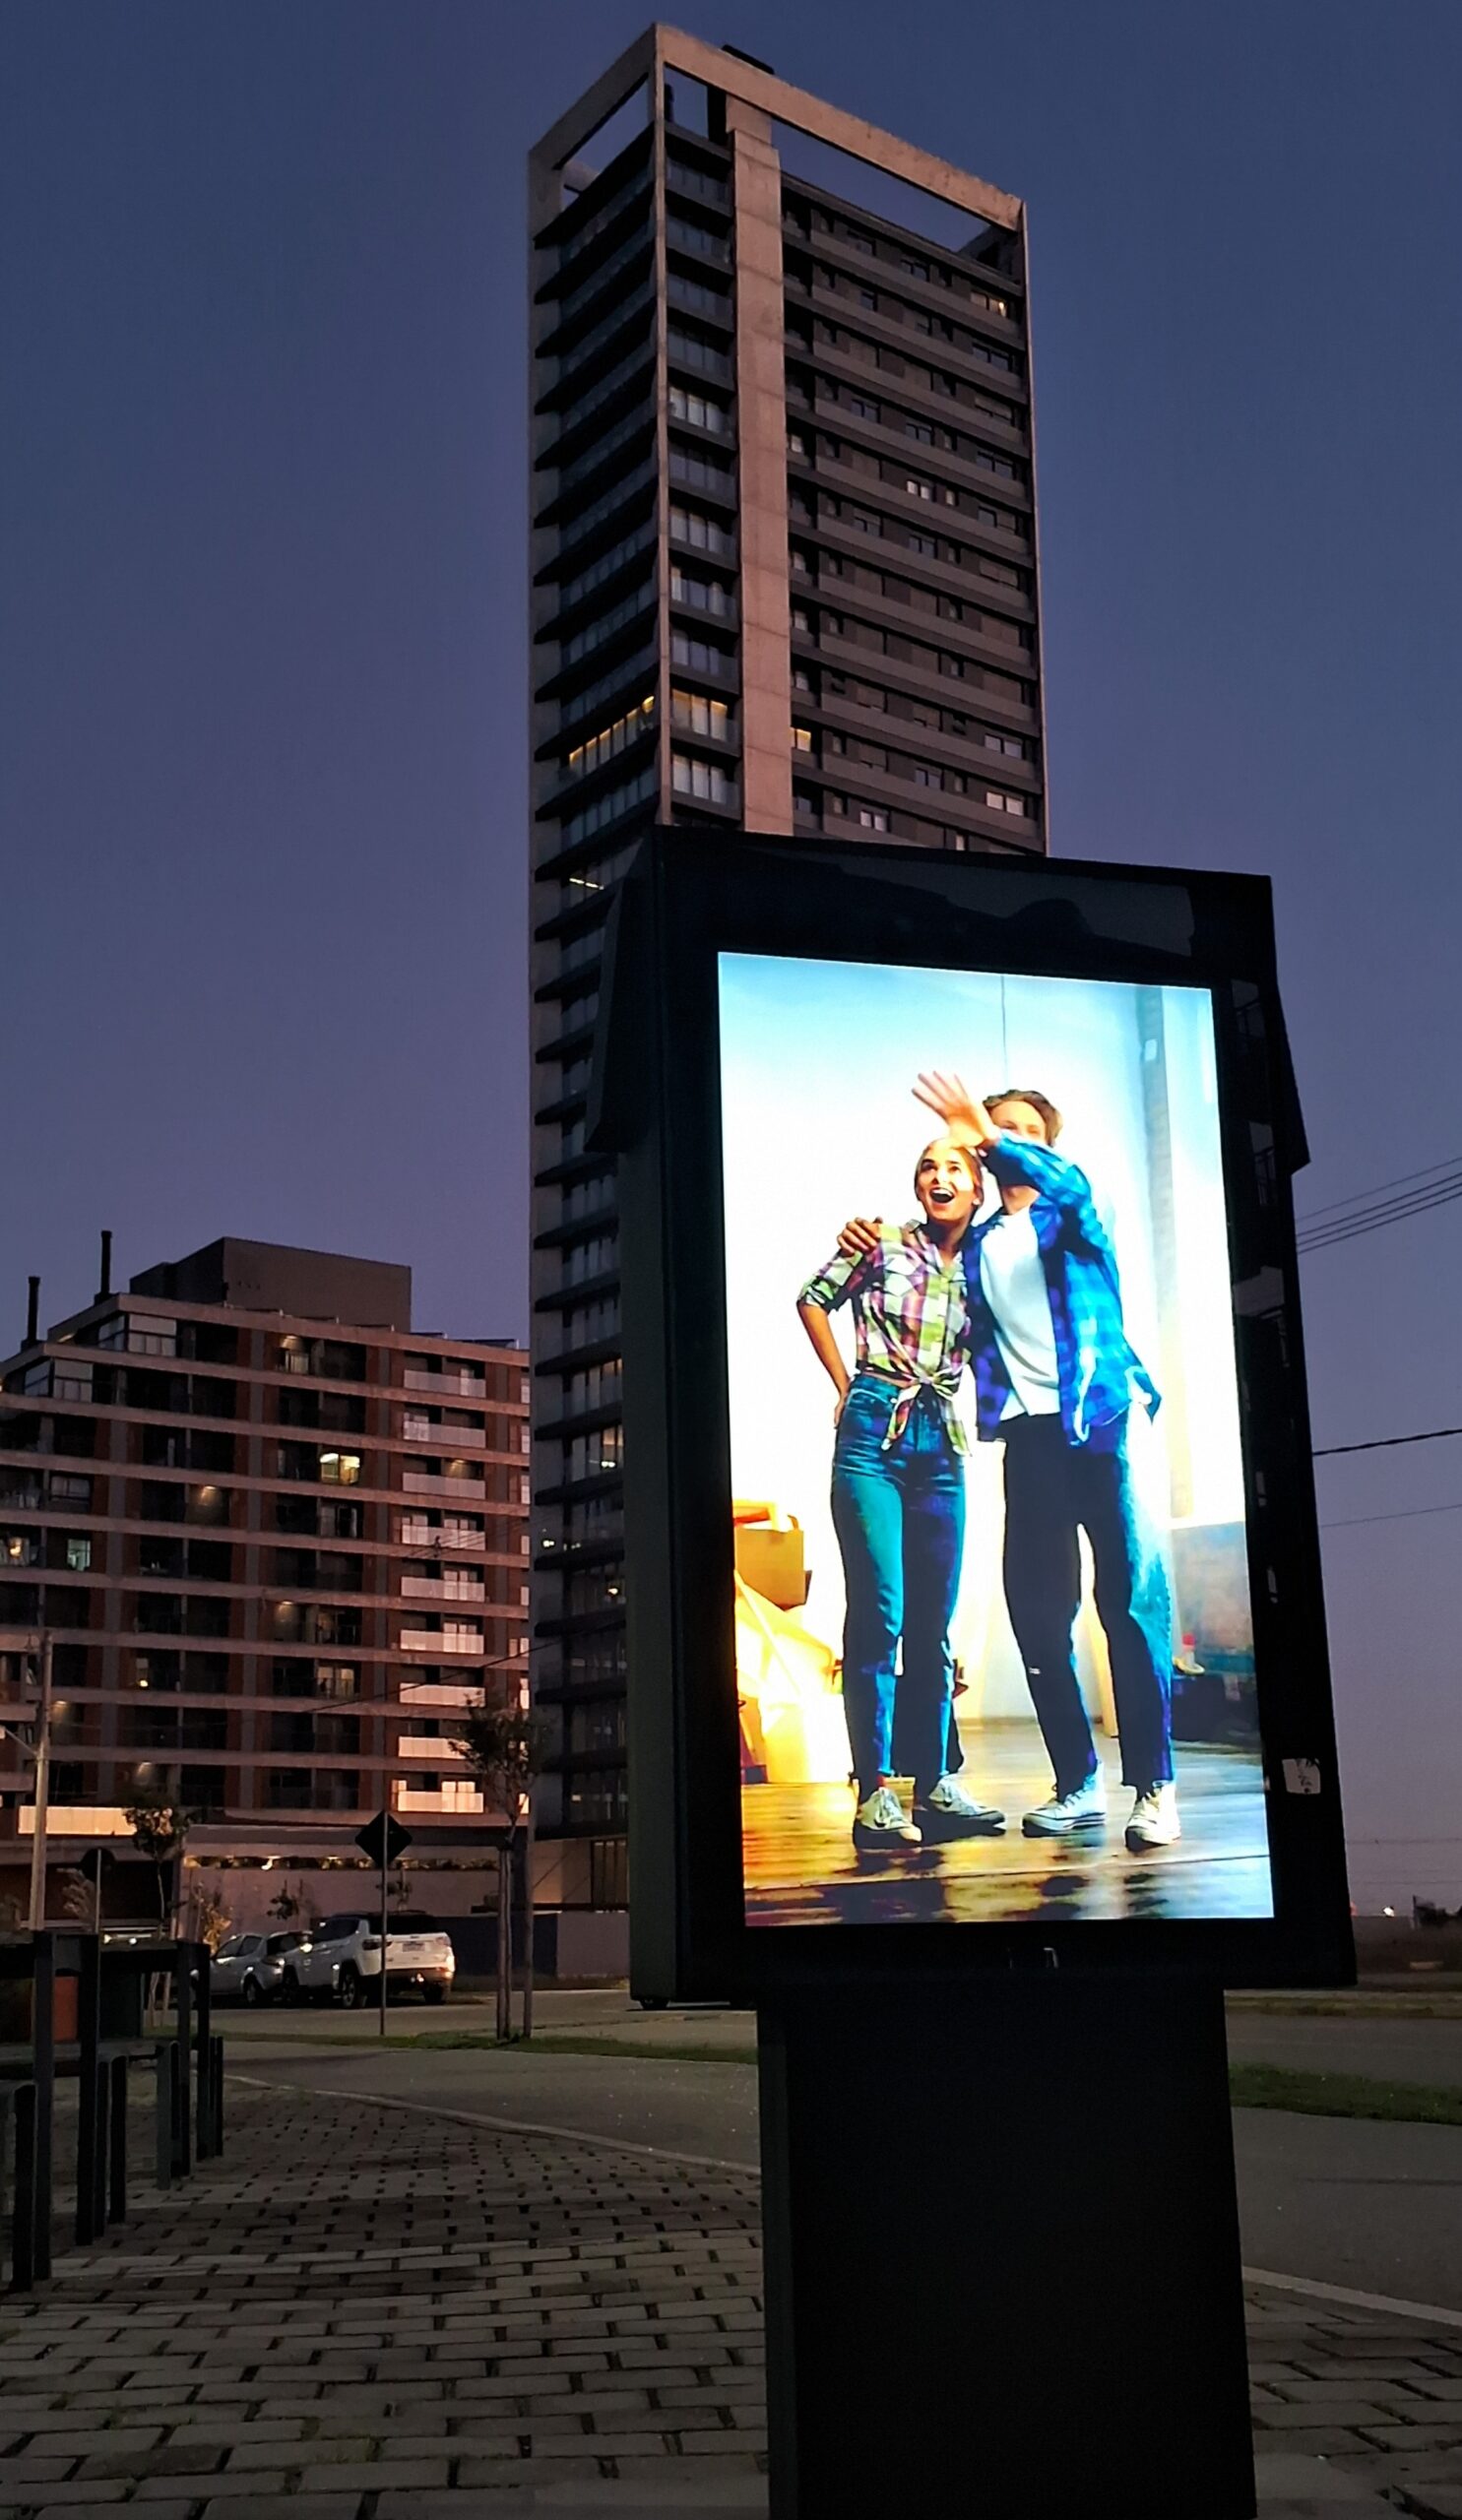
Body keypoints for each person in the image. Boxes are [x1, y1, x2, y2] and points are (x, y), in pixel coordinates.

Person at [839, 1076, 1178, 1854]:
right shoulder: (981, 1242)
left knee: (1128, 1603)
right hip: (1027, 1441)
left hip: (1101, 1422)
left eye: (1022, 1130)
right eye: (994, 1131)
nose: (1003, 1140)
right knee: (1036, 1617)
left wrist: (987, 1133)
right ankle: (1077, 1782)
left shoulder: (1079, 1213)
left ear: (1044, 1143)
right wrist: (862, 1235)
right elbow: (918, 1276)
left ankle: (1153, 1787)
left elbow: (1070, 1187)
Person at [798, 1136, 1007, 1854]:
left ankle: (936, 1784)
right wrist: (843, 1386)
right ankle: (874, 1792)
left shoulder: (985, 1263)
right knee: (880, 1609)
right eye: (927, 1167)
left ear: (976, 1190)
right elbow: (812, 1299)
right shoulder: (881, 1241)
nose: (939, 1177)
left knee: (933, 1623)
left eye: (955, 1169)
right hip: (873, 1434)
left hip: (942, 1444)